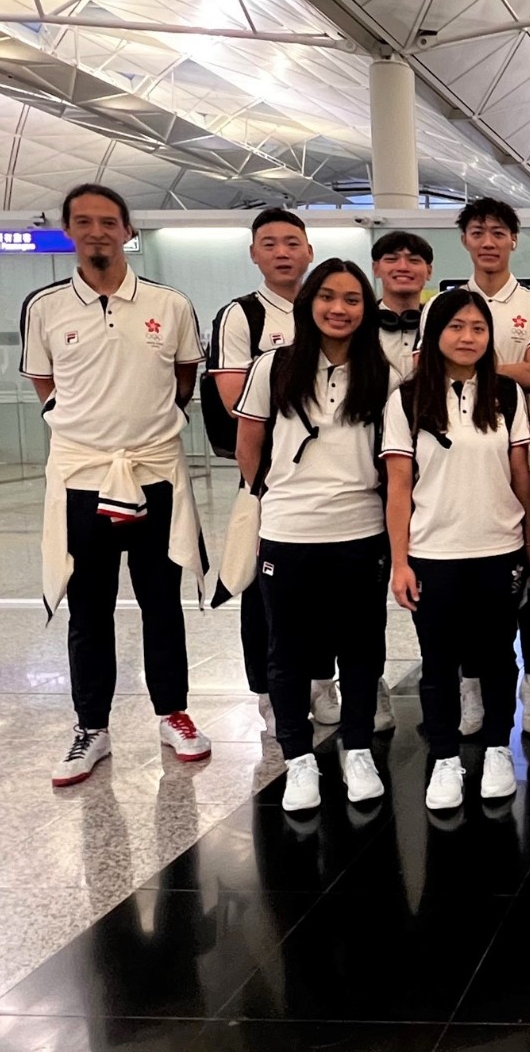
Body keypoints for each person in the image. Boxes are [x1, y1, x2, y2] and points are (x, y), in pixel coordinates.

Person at [22, 184, 212, 786]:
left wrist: (162, 419)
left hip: (154, 472)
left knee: (162, 602)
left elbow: (186, 373)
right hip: (82, 477)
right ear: (68, 231)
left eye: (108, 221)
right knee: (89, 607)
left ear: (128, 231)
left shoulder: (170, 304)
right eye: (84, 222)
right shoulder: (45, 306)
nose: (97, 231)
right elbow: (43, 381)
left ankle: (173, 713)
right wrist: (73, 424)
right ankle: (91, 727)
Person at [234, 259, 396, 812]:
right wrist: (274, 497)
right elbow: (249, 444)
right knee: (287, 651)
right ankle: (298, 758)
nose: (339, 309)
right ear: (309, 304)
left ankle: (358, 749)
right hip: (288, 532)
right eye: (327, 296)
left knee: (362, 648)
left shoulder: (382, 374)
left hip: (360, 531)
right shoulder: (274, 367)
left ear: (366, 310)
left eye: (352, 299)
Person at [384, 289, 530, 810]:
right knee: (439, 662)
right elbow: (399, 485)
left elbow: (520, 474)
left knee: (497, 657)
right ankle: (445, 757)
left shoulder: (507, 395)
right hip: (434, 552)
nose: (467, 337)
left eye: (478, 328)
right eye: (455, 326)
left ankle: (497, 748)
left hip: (499, 548)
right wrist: (400, 561)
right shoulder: (407, 398)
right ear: (434, 334)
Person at [423, 199, 530, 740]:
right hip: (454, 461)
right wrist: (497, 368)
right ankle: (469, 685)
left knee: (529, 586)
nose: (488, 241)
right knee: (460, 598)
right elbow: (428, 367)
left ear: (513, 240)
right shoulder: (446, 301)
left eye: (499, 232)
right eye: (478, 232)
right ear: (465, 240)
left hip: (520, 452)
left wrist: (475, 366)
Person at [205, 208, 311, 732]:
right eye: (269, 244)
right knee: (265, 586)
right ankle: (268, 689)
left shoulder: (325, 307)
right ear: (253, 254)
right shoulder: (241, 315)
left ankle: (320, 679)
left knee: (321, 586)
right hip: (270, 472)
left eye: (292, 243)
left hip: (330, 476)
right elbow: (235, 401)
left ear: (309, 251)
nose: (282, 253)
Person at [373, 231, 433, 377]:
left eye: (414, 260)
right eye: (391, 259)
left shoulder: (440, 325)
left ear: (429, 271)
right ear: (376, 269)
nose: (403, 267)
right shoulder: (359, 324)